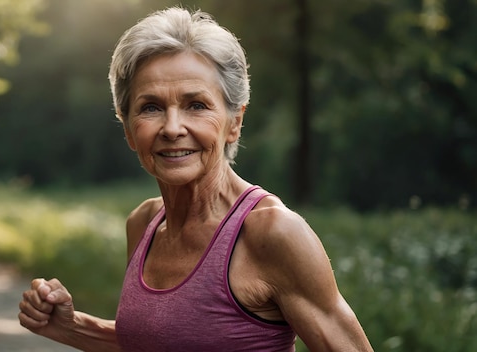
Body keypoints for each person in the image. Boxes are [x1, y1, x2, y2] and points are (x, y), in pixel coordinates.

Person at [18, 7, 373, 352]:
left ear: (234, 122)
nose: (172, 128)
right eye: (151, 107)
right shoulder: (143, 223)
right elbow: (157, 342)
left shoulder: (272, 233)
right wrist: (72, 327)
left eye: (197, 105)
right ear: (128, 129)